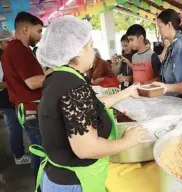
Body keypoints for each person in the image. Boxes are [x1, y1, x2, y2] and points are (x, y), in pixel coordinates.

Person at [34, 15, 147, 192]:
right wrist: (127, 141)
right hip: (75, 182)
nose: (93, 52)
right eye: (90, 46)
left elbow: (88, 108)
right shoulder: (72, 86)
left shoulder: (59, 77)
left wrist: (127, 92)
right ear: (77, 50)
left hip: (59, 176)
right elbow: (87, 148)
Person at [1, 11, 50, 178]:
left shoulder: (14, 49)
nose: (40, 36)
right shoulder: (19, 49)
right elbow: (32, 82)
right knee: (43, 151)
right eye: (39, 31)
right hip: (31, 109)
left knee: (38, 149)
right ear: (25, 30)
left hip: (25, 108)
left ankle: (40, 185)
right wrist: (59, 74)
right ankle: (43, 185)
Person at [0, 29, 31, 165]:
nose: (10, 45)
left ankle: (21, 152)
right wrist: (14, 82)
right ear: (0, 43)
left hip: (10, 99)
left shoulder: (5, 56)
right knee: (14, 128)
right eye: (8, 42)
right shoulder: (1, 59)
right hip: (5, 100)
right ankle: (18, 156)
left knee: (17, 126)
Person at [157, 9, 182, 88]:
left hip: (178, 98)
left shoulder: (180, 46)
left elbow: (181, 82)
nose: (159, 31)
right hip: (171, 97)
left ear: (169, 25)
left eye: (160, 27)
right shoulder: (174, 44)